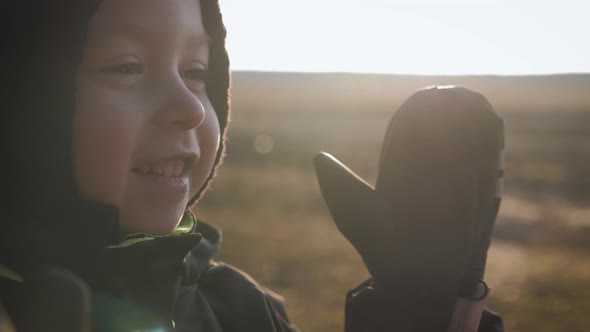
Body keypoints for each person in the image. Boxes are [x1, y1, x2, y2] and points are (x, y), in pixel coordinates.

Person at [0, 0, 504, 331]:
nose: (192, 107)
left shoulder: (241, 309)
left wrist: (424, 316)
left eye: (197, 71)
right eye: (127, 66)